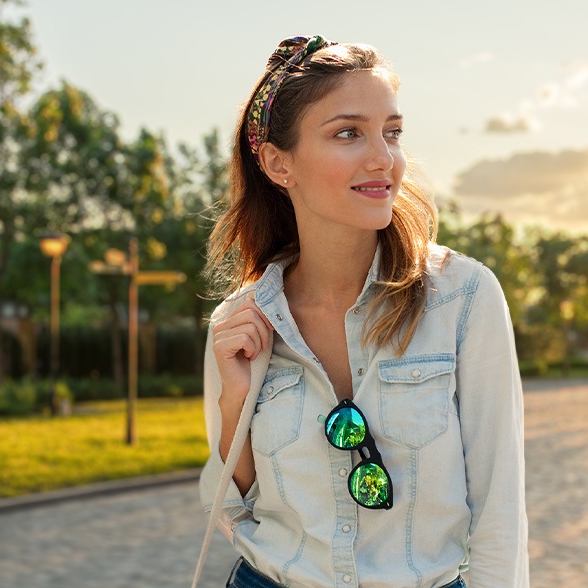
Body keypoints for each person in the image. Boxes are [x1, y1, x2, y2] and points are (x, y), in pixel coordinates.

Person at [193, 35, 528, 588]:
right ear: (279, 163)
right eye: (348, 133)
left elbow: (500, 511)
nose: (383, 158)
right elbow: (236, 507)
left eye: (391, 132)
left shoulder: (464, 298)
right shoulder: (241, 323)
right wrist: (235, 399)